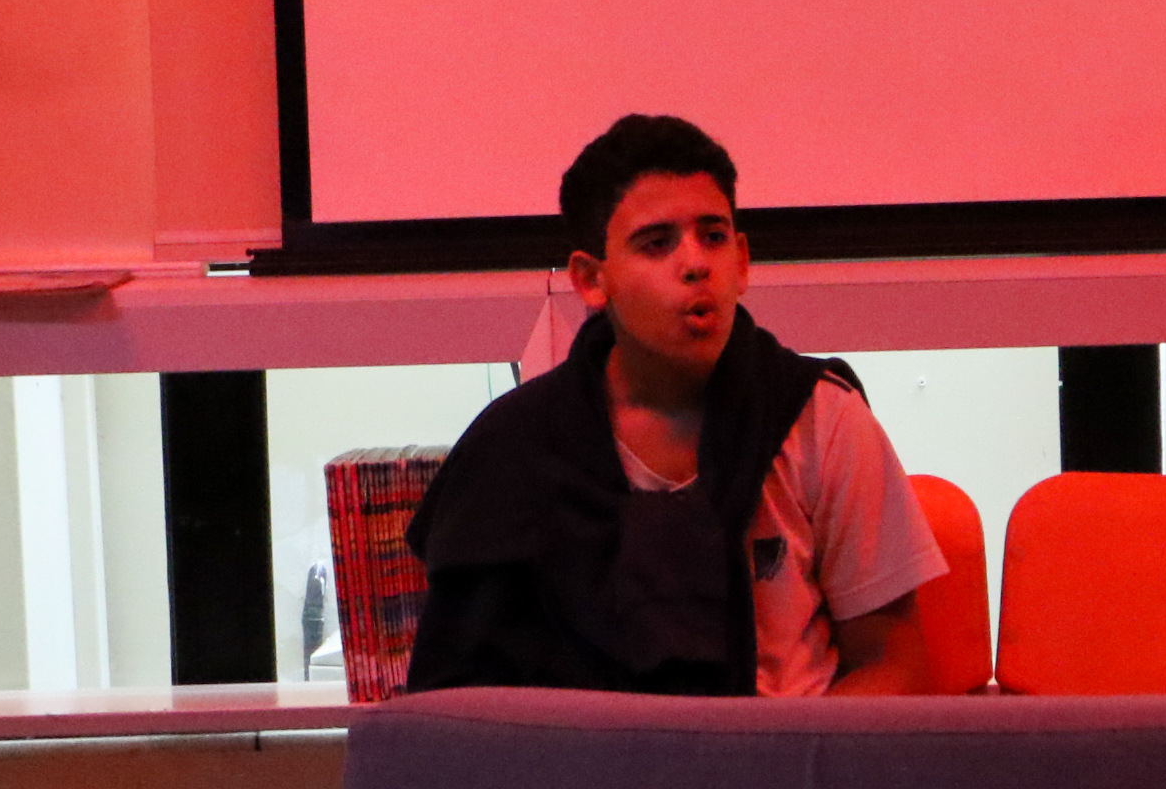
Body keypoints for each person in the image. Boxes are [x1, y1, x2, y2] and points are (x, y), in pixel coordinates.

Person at [405, 114, 953, 697]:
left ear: (742, 261)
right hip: (586, 755)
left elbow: (892, 663)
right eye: (657, 243)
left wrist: (787, 753)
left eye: (713, 237)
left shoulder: (822, 419)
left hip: (788, 750)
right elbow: (459, 698)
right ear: (591, 280)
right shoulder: (513, 447)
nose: (695, 264)